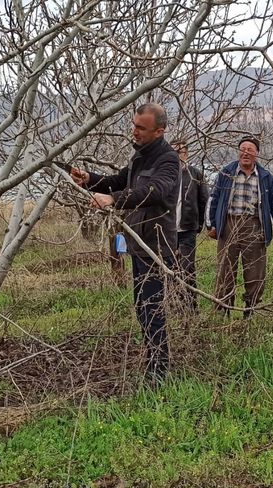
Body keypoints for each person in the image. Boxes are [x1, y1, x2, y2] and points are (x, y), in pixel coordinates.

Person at [70, 103, 179, 381]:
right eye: (134, 125)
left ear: (159, 131)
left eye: (141, 128)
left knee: (152, 308)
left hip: (155, 246)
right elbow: (118, 180)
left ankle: (159, 370)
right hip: (138, 243)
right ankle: (152, 360)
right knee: (142, 307)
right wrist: (89, 180)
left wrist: (114, 199)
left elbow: (154, 190)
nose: (135, 131)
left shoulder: (168, 160)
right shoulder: (139, 156)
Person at [206, 136, 273, 318]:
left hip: (254, 226)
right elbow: (213, 199)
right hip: (229, 225)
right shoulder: (226, 172)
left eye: (250, 150)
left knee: (255, 271)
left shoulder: (266, 176)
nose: (245, 153)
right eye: (242, 149)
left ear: (257, 154)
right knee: (225, 270)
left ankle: (250, 309)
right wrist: (211, 224)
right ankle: (223, 309)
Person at [173, 140, 208, 312]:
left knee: (187, 269)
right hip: (167, 231)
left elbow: (204, 200)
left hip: (187, 229)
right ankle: (173, 305)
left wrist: (199, 224)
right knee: (169, 269)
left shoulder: (195, 174)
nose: (176, 156)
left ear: (186, 154)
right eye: (172, 152)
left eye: (179, 152)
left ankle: (191, 307)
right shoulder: (164, 174)